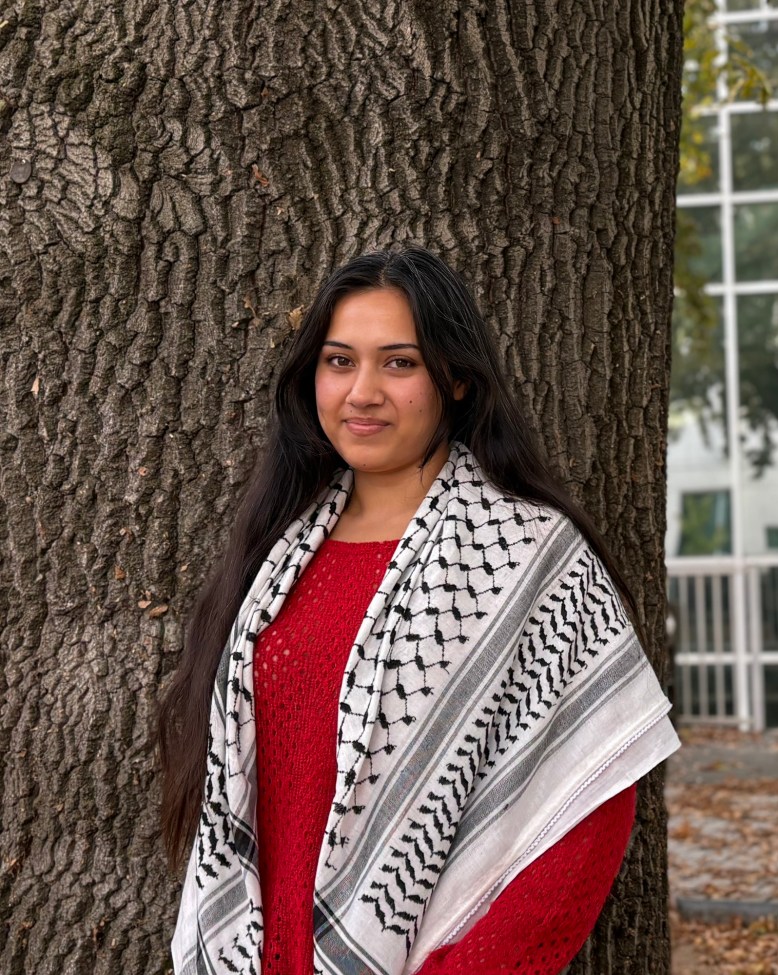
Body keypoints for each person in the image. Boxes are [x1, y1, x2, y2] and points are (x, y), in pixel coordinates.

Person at [158, 245, 679, 975]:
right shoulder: (279, 555)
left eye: (398, 363)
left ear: (456, 378)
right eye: (340, 361)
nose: (361, 391)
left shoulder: (526, 555)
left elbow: (589, 812)